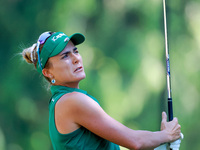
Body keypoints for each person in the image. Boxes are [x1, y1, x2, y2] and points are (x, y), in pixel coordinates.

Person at [22, 31, 181, 150]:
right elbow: (135, 142)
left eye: (75, 51)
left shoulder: (62, 101)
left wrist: (160, 142)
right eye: (65, 56)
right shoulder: (71, 101)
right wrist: (166, 135)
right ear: (48, 73)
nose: (76, 58)